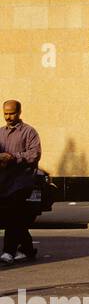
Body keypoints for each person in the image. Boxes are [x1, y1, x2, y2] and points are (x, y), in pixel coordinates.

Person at [0, 99, 41, 264]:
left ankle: (8, 252)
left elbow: (34, 154)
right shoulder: (1, 133)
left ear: (19, 112)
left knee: (12, 214)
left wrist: (13, 157)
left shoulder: (29, 132)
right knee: (15, 217)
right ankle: (28, 249)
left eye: (12, 113)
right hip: (4, 182)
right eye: (5, 113)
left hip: (22, 181)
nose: (9, 117)